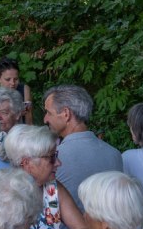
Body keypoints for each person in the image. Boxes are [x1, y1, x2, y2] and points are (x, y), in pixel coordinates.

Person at [43, 84, 122, 212]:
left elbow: (49, 208)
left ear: (66, 114)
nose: (45, 119)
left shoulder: (52, 158)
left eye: (48, 112)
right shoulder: (114, 154)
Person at [0, 57, 32, 124]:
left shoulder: (24, 90)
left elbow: (29, 122)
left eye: (16, 79)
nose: (12, 83)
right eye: (8, 79)